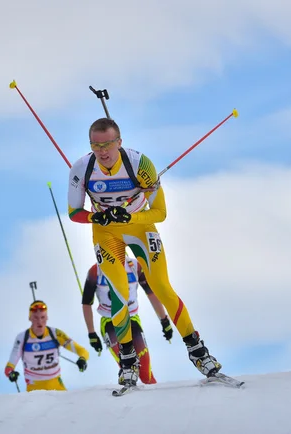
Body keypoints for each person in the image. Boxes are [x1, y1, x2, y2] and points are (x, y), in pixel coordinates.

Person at [67, 117, 221, 387]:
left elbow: (160, 212)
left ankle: (197, 350)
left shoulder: (140, 164)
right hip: (106, 233)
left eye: (108, 144)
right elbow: (74, 213)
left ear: (120, 142)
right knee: (119, 294)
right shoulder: (82, 168)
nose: (102, 151)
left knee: (161, 286)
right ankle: (128, 360)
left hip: (140, 226)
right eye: (96, 145)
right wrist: (95, 218)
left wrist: (129, 216)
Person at [82, 254, 173, 384]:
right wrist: (91, 332)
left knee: (146, 374)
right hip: (110, 322)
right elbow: (86, 303)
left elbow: (151, 293)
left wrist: (164, 320)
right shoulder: (95, 271)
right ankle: (128, 393)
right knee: (128, 369)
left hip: (132, 319)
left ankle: (156, 402)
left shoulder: (135, 266)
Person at [4, 300, 90, 392]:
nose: (39, 321)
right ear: (30, 318)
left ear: (47, 317)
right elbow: (9, 366)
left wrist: (82, 359)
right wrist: (11, 373)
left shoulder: (56, 334)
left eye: (42, 317)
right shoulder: (22, 338)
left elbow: (82, 350)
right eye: (35, 318)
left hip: (56, 386)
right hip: (34, 389)